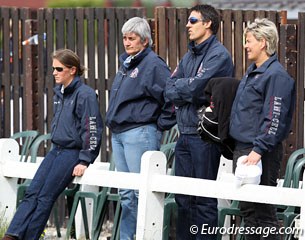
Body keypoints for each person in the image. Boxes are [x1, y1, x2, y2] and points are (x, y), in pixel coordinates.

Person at [2, 49, 103, 240]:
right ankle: (12, 235)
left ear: (72, 70)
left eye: (59, 68)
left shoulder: (86, 95)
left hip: (71, 153)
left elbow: (92, 128)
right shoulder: (60, 93)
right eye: (53, 69)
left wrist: (84, 160)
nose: (54, 72)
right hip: (55, 150)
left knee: (45, 197)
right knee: (32, 192)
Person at [165, 4, 234, 240]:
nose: (187, 25)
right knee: (183, 198)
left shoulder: (219, 55)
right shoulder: (188, 55)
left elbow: (198, 89)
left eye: (193, 21)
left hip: (204, 137)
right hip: (183, 134)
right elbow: (168, 88)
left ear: (208, 24)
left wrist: (184, 87)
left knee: (203, 199)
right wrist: (186, 86)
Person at [105, 17, 176, 239]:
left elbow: (171, 97)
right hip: (119, 133)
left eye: (132, 38)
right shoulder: (127, 63)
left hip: (139, 133)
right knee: (126, 193)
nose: (126, 42)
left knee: (140, 192)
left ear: (144, 41)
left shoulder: (153, 64)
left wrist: (159, 124)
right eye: (125, 38)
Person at [229, 18, 295, 240]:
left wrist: (258, 150)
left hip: (259, 153)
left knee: (263, 212)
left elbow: (274, 117)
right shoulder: (253, 71)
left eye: (249, 41)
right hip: (245, 149)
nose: (245, 46)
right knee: (248, 210)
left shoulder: (276, 76)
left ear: (263, 43)